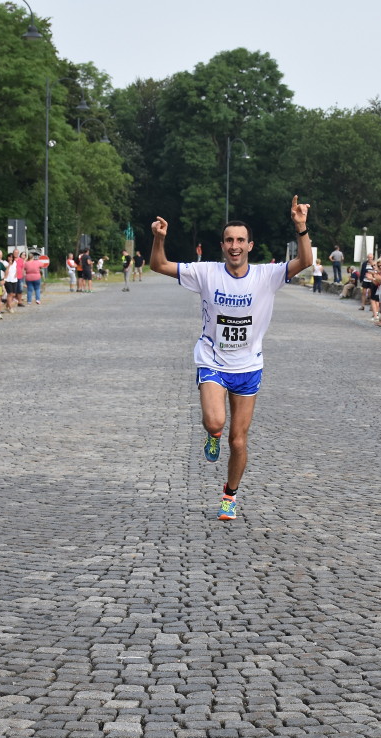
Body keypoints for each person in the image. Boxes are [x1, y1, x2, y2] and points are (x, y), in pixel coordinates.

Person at [147, 196, 312, 521]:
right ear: (222, 245)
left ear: (250, 245)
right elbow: (158, 265)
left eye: (240, 240)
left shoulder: (267, 275)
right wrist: (159, 238)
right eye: (229, 240)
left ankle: (230, 495)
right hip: (212, 360)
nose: (234, 246)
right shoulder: (206, 273)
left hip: (249, 366)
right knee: (215, 422)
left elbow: (305, 260)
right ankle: (212, 435)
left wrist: (301, 226)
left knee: (238, 441)